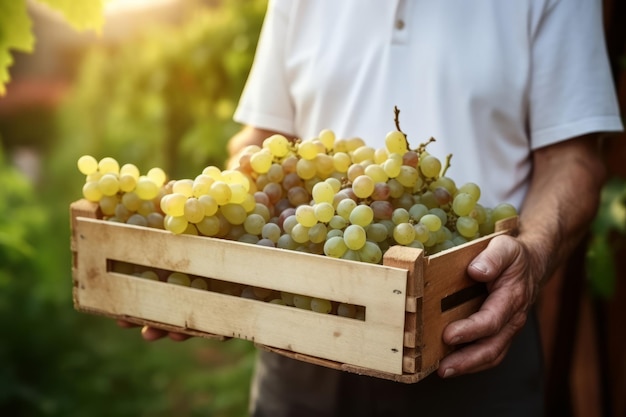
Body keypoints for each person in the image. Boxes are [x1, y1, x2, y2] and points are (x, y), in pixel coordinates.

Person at [132, 0, 623, 415]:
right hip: (300, 329)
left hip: (466, 336)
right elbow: (263, 141)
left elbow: (574, 160)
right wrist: (204, 242)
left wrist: (533, 255)